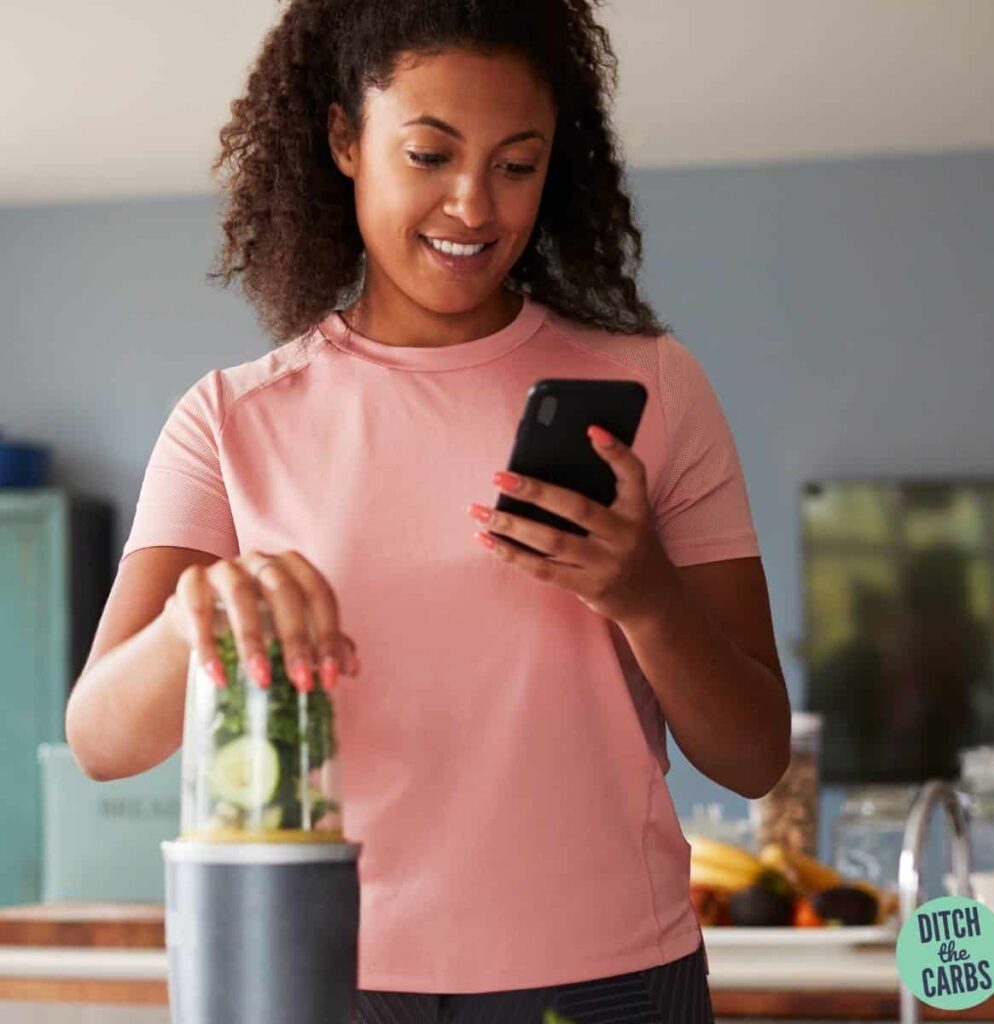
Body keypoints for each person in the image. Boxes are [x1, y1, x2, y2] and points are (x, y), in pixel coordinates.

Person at [65, 2, 791, 1021]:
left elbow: (755, 757)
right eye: (429, 152)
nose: (473, 205)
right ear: (344, 140)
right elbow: (100, 737)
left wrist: (645, 595)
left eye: (515, 163)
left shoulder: (654, 390)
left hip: (608, 975)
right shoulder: (232, 419)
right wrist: (200, 613)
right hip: (317, 972)